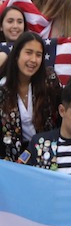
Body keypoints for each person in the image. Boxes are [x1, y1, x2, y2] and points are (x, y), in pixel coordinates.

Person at [0, 33, 61, 161]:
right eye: (28, 52)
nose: (33, 60)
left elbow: (62, 116)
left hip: (48, 156)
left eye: (38, 55)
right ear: (17, 55)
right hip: (12, 162)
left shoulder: (50, 81)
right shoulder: (2, 88)